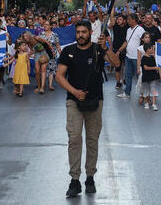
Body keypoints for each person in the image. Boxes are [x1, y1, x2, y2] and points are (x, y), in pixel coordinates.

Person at [56, 19, 120, 198]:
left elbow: (116, 64)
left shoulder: (98, 49)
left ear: (90, 33)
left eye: (84, 32)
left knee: (92, 141)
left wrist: (106, 47)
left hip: (95, 101)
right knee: (74, 138)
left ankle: (90, 177)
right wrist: (74, 91)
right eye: (78, 32)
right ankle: (74, 180)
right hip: (74, 101)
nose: (80, 35)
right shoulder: (68, 51)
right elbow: (59, 76)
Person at [118, 13, 144, 100]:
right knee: (128, 75)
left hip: (137, 58)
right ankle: (127, 93)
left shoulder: (140, 30)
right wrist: (119, 50)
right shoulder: (128, 30)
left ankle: (142, 94)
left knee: (139, 77)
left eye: (129, 19)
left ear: (134, 20)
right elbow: (126, 42)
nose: (127, 21)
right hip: (128, 56)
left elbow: (144, 41)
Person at [139, 42, 159, 110]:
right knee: (146, 91)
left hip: (153, 76)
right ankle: (146, 102)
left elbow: (155, 65)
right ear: (148, 49)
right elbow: (145, 68)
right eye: (152, 49)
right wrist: (154, 68)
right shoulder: (144, 58)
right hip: (146, 77)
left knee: (154, 90)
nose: (153, 50)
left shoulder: (152, 57)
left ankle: (154, 104)